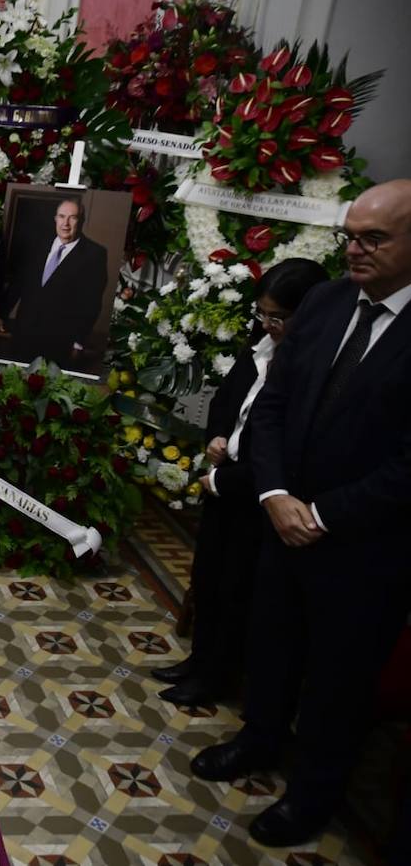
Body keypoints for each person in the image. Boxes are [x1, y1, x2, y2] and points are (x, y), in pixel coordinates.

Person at [190, 179, 411, 848]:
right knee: (272, 642)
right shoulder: (325, 300)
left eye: (374, 238)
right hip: (281, 520)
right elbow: (277, 403)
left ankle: (312, 793)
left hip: (364, 544)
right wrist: (275, 494)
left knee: (338, 678)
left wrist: (321, 513)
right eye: (350, 234)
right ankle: (258, 739)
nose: (355, 249)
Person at [151, 258, 328, 708]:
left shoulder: (309, 367)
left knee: (236, 593)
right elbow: (231, 400)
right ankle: (199, 661)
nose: (268, 325)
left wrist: (224, 477)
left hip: (256, 498)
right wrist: (217, 436)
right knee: (208, 578)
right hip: (224, 482)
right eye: (262, 314)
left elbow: (282, 448)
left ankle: (216, 677)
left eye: (278, 318)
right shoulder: (260, 348)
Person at [0, 197, 107, 368]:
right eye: (61, 216)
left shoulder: (94, 254)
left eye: (72, 217)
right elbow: (19, 284)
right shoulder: (37, 245)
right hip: (23, 334)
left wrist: (79, 341)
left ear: (81, 221)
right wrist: (1, 314)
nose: (65, 223)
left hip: (60, 342)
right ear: (55, 218)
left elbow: (92, 301)